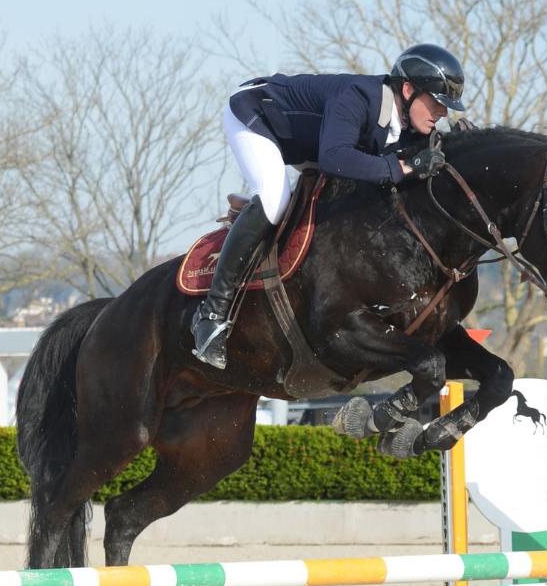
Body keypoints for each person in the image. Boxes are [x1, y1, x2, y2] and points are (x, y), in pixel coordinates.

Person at [191, 43, 466, 370]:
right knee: (274, 201)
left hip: (309, 141)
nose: (443, 112)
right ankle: (211, 314)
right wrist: (404, 167)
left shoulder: (406, 123)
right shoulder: (359, 97)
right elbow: (335, 157)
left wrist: (457, 148)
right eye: (437, 102)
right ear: (408, 90)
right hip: (258, 116)